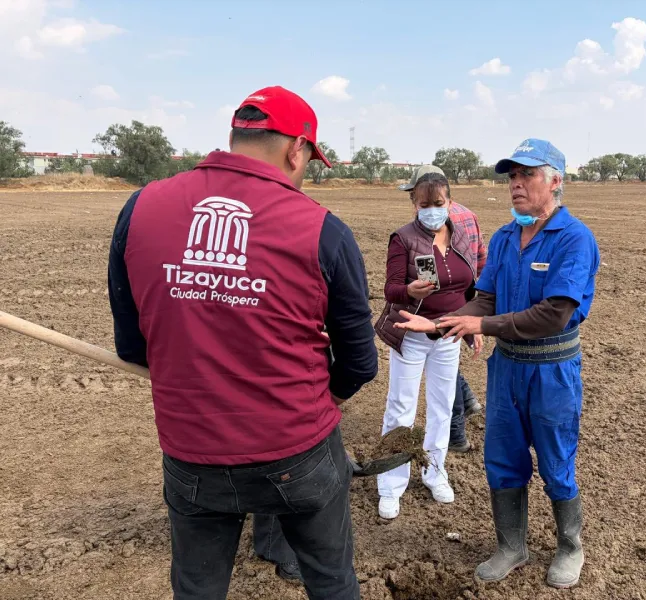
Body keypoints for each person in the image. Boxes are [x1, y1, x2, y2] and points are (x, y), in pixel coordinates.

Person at [107, 85, 378, 600]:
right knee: (331, 581)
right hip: (297, 451)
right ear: (297, 149)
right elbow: (360, 361)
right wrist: (328, 394)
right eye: (309, 161)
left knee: (197, 590)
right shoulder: (323, 229)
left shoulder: (141, 207)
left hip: (192, 452)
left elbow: (132, 346)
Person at [395, 139, 600, 588]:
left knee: (556, 461)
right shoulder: (506, 237)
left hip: (551, 370)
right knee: (503, 459)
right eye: (512, 176)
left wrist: (482, 326)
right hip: (507, 368)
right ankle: (511, 546)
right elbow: (485, 298)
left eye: (527, 174)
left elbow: (554, 314)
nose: (516, 184)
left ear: (555, 181)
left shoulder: (573, 238)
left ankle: (570, 546)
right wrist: (439, 324)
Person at [374, 171, 482, 519]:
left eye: (438, 203)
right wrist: (409, 290)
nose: (432, 210)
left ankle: (435, 472)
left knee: (442, 407)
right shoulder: (403, 239)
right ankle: (391, 483)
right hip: (411, 335)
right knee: (401, 408)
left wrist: (470, 326)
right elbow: (390, 289)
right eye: (425, 204)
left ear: (449, 202)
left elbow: (469, 287)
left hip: (447, 335)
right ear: (414, 204)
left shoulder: (461, 234)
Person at [398, 165, 487, 452]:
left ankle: (456, 435)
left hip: (437, 314)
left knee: (443, 384)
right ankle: (468, 402)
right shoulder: (470, 216)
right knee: (447, 374)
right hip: (462, 304)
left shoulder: (429, 226)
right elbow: (480, 264)